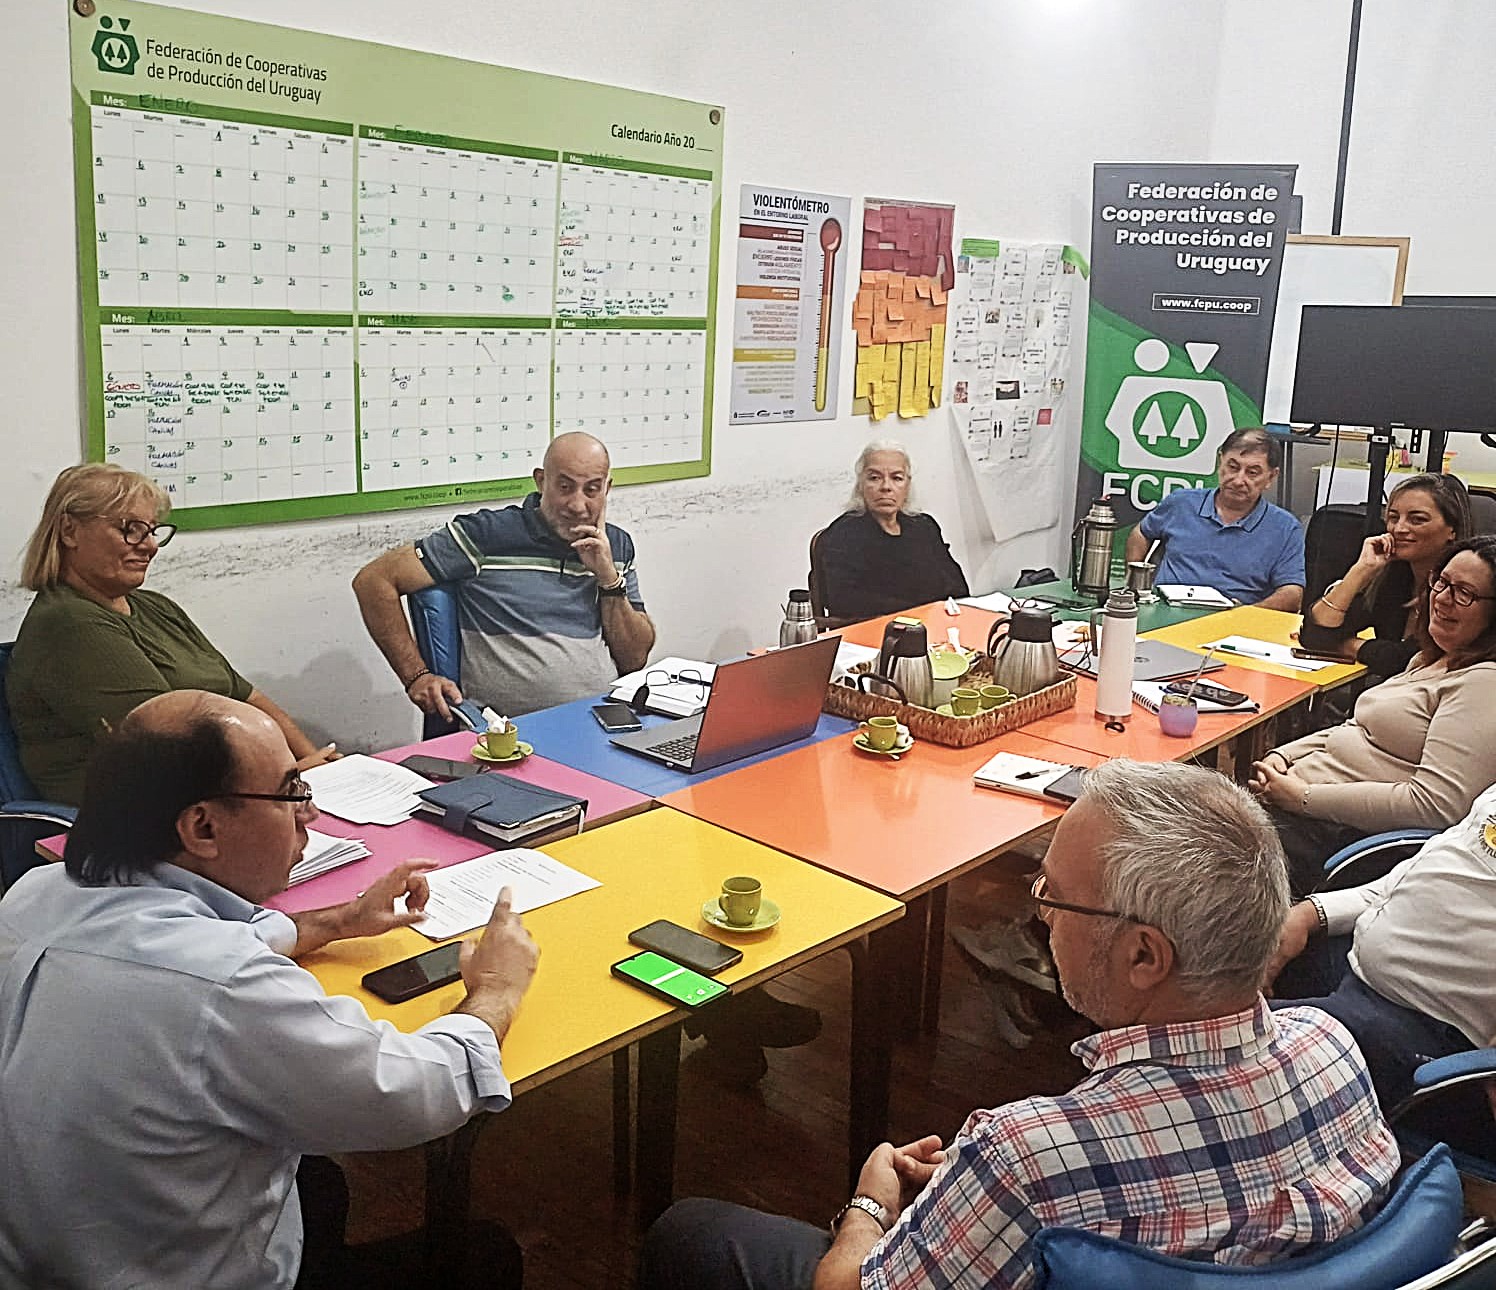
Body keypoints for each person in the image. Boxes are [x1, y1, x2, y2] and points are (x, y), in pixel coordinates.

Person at [639, 760, 1399, 1290]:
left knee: (690, 1231)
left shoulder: (1026, 1156)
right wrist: (978, 1196)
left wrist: (870, 1208)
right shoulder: (1333, 1046)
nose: (1040, 914)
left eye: (1054, 897)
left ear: (1144, 955)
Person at [0, 690, 538, 1289]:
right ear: (203, 826)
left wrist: (338, 920)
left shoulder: (31, 895)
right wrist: (495, 990)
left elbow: (174, 945)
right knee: (485, 1256)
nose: (310, 814)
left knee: (319, 1182)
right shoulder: (227, 985)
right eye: (291, 792)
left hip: (44, 1243)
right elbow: (418, 1094)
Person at [6, 463, 338, 806]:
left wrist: (315, 765)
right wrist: (285, 777)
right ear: (69, 531)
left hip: (228, 789)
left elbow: (248, 696)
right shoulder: (68, 622)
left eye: (152, 531)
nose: (150, 546)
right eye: (131, 530)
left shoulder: (156, 607)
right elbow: (166, 744)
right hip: (144, 809)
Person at [1251, 535, 1496, 896]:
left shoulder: (1483, 683)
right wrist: (1283, 755)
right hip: (1293, 805)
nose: (1442, 598)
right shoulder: (1429, 660)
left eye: (1465, 593)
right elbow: (1355, 728)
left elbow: (1436, 805)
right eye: (1441, 582)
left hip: (1330, 835)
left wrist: (1302, 796)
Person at [353, 431, 655, 721]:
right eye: (565, 487)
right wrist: (416, 676)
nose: (577, 505)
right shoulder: (487, 535)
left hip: (603, 720)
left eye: (591, 489)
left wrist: (608, 579)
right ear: (541, 481)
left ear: (606, 489)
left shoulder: (616, 545)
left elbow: (634, 660)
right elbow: (374, 581)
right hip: (509, 731)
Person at [1267, 779, 1496, 1155]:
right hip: (1355, 962)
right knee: (1216, 966)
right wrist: (1313, 914)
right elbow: (1425, 872)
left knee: (1212, 1037)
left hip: (1426, 1027)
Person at [1299, 472, 1471, 676]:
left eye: (1417, 520)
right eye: (1393, 517)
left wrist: (1346, 645)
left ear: (1452, 530)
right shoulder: (1395, 574)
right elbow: (1314, 636)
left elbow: (1412, 661)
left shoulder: (1465, 587)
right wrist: (1361, 570)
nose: (1399, 528)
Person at [1125, 426, 1304, 610]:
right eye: (1232, 467)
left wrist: (1246, 614)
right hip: (1164, 611)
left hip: (1235, 618)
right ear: (1220, 461)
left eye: (1252, 473)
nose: (1238, 480)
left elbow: (1292, 593)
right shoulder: (1181, 503)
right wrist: (1134, 586)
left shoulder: (1285, 528)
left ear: (1271, 477)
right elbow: (1141, 533)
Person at [814, 441, 968, 622]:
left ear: (907, 486)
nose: (886, 487)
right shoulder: (844, 534)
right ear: (861, 485)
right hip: (879, 630)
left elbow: (957, 586)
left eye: (897, 478)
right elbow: (844, 601)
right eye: (874, 478)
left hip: (936, 624)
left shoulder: (924, 527)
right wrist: (916, 613)